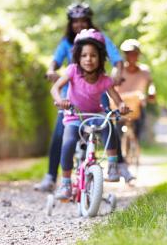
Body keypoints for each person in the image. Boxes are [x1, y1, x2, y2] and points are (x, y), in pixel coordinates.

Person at [34, 3, 132, 192]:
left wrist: (118, 73)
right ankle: (53, 177)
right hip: (70, 100)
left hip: (96, 95)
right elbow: (55, 61)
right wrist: (51, 70)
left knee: (108, 123)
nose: (79, 24)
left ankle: (118, 165)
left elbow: (115, 58)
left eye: (83, 21)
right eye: (75, 22)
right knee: (61, 136)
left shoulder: (99, 40)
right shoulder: (67, 46)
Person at [51, 30, 130, 199]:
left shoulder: (104, 79)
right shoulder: (72, 71)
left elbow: (117, 99)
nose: (88, 59)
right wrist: (60, 100)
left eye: (93, 55)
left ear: (101, 58)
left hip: (95, 114)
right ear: (78, 57)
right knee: (68, 142)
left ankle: (112, 165)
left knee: (109, 126)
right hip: (74, 116)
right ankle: (65, 183)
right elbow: (55, 88)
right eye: (84, 55)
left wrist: (122, 106)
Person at [113, 39, 156, 142]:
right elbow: (111, 87)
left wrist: (151, 92)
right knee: (117, 133)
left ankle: (135, 144)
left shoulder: (144, 71)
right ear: (125, 55)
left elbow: (151, 84)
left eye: (134, 53)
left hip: (137, 105)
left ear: (138, 55)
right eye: (129, 53)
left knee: (138, 130)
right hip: (121, 104)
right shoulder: (118, 71)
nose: (132, 56)